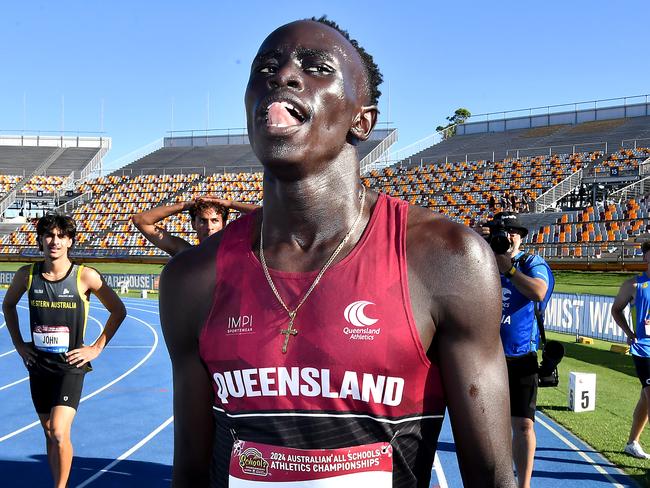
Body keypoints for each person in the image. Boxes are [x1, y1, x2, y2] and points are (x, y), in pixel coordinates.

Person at [160, 17, 515, 487]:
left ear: (361, 120)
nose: (283, 75)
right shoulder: (192, 279)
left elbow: (491, 475)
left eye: (315, 67)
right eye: (266, 66)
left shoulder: (445, 259)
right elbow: (190, 471)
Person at [2, 213, 126, 488]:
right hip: (38, 364)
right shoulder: (27, 275)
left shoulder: (85, 276)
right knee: (48, 432)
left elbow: (118, 310)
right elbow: (8, 305)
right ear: (40, 242)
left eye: (61, 236)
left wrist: (95, 348)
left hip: (70, 365)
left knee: (59, 431)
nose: (54, 241)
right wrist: (19, 344)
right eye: (49, 235)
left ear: (70, 241)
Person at [488, 211, 553, 488]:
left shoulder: (530, 263)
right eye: (501, 232)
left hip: (520, 357)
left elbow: (539, 291)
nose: (507, 237)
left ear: (522, 237)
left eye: (513, 231)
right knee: (489, 428)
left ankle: (523, 485)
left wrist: (509, 270)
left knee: (524, 425)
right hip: (486, 358)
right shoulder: (482, 260)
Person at [611, 240, 650, 459]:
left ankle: (632, 442)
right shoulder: (633, 285)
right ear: (646, 257)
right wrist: (629, 332)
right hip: (644, 349)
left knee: (646, 398)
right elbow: (616, 310)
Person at [131, 196, 258, 256]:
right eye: (203, 221)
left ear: (223, 224)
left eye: (214, 220)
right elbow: (140, 220)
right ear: (193, 224)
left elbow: (271, 216)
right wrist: (184, 205)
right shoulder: (185, 252)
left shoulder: (239, 250)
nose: (209, 227)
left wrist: (230, 203)